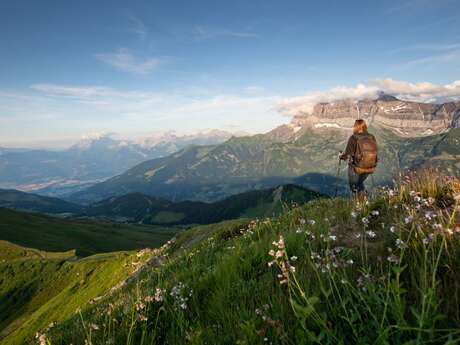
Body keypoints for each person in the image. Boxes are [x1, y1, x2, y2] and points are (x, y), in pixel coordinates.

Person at [339, 119, 378, 198]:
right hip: (370, 167)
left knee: (354, 187)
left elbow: (347, 154)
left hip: (356, 167)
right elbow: (376, 151)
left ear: (356, 127)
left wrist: (341, 156)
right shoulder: (371, 137)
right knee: (360, 183)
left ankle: (362, 203)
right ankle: (365, 199)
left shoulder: (353, 138)